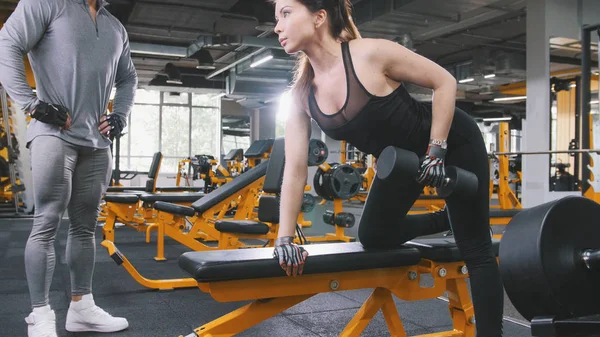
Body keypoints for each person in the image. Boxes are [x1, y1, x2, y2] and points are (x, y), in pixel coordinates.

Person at [269, 0, 504, 336]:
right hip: (401, 164)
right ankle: (444, 218)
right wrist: (285, 238)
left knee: (476, 249)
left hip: (452, 141)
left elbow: (445, 82)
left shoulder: (370, 54)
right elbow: (294, 168)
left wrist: (436, 150)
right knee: (373, 236)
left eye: (286, 14)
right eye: (276, 17)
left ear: (319, 17)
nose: (277, 26)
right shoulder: (302, 95)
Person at [0, 0, 137, 336]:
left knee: (85, 226)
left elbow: (129, 78)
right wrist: (32, 104)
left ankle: (81, 307)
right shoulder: (46, 3)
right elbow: (8, 43)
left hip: (96, 142)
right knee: (46, 222)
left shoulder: (115, 27)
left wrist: (120, 114)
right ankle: (40, 315)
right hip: (54, 134)